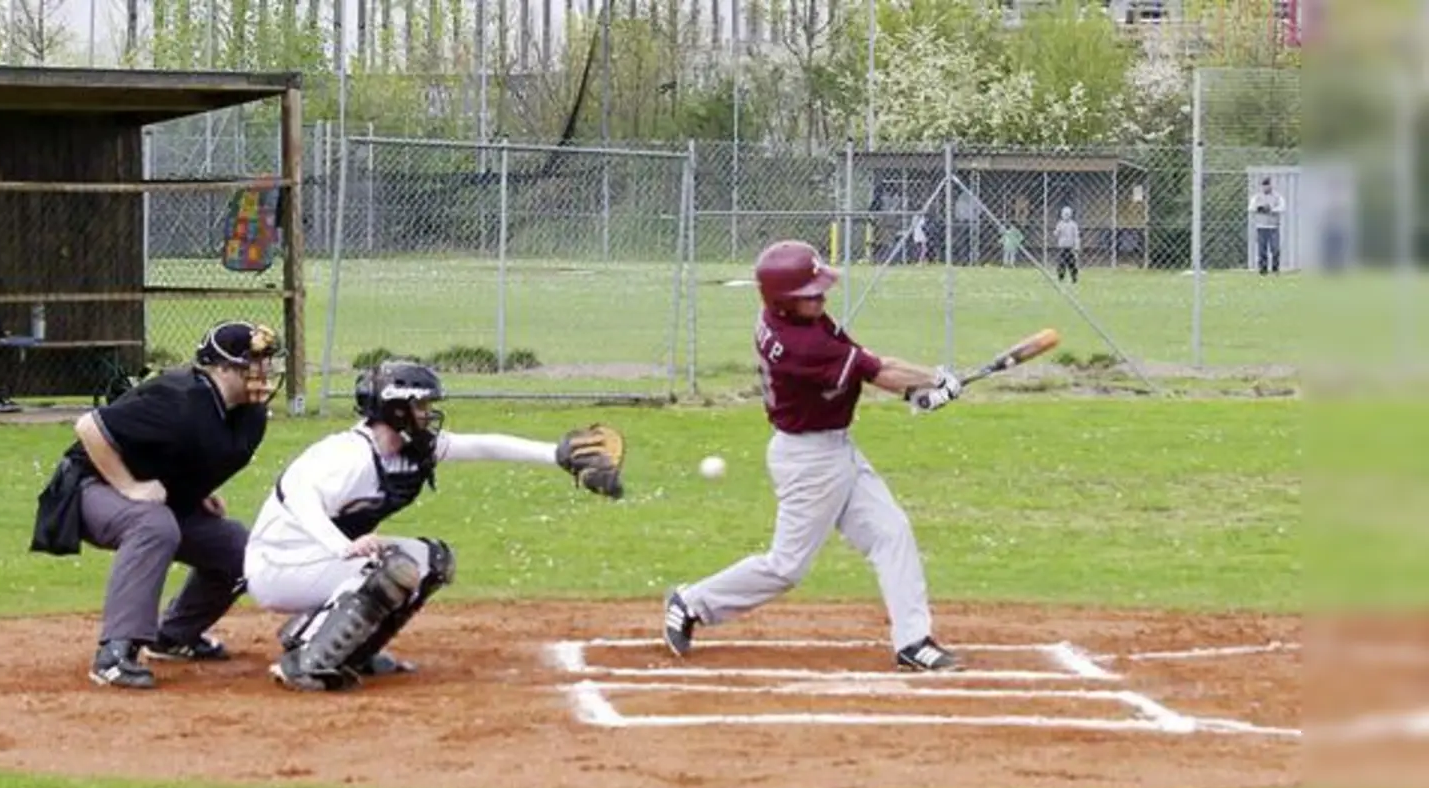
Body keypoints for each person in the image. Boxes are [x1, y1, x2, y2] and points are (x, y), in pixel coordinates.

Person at [662, 240, 962, 672]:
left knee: (891, 532)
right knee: (786, 567)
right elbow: (877, 369)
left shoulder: (788, 318)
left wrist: (916, 391)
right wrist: (936, 378)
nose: (820, 297)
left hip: (832, 447)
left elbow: (865, 365)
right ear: (784, 301)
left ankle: (913, 641)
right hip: (810, 459)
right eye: (809, 293)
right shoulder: (801, 345)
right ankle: (691, 602)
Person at [245, 360, 625, 692]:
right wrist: (340, 546)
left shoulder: (410, 449)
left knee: (431, 560)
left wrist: (555, 456)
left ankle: (354, 651)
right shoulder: (350, 456)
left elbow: (481, 447)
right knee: (390, 569)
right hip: (279, 563)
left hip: (313, 560)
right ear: (395, 410)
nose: (427, 414)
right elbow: (298, 496)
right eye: (420, 405)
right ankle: (305, 661)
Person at [35, 321, 283, 689]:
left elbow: (186, 453)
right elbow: (90, 427)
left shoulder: (250, 415)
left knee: (241, 549)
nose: (263, 373)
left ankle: (175, 637)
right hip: (89, 485)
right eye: (252, 364)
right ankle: (114, 654)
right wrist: (129, 486)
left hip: (160, 497)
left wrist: (194, 491)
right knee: (153, 526)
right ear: (220, 368)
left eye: (266, 363)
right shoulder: (177, 399)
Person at [1249, 177, 1286, 275]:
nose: (1265, 188)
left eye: (1267, 185)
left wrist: (1271, 209)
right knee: (1262, 250)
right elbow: (1251, 208)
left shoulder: (1277, 197)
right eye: (1264, 186)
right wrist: (1259, 209)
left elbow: (1282, 208)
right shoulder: (1257, 197)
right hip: (1261, 226)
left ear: (1271, 186)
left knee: (1275, 249)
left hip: (1273, 227)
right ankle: (1263, 269)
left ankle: (1275, 268)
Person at [1054, 206, 1080, 283]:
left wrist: (1077, 246)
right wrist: (1056, 232)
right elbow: (1056, 233)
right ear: (1062, 215)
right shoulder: (1060, 224)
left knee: (1072, 264)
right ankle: (1060, 277)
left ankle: (1074, 278)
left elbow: (1076, 236)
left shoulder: (1073, 225)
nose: (1066, 216)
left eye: (1068, 214)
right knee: (1061, 263)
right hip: (1062, 247)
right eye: (1065, 214)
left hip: (1070, 248)